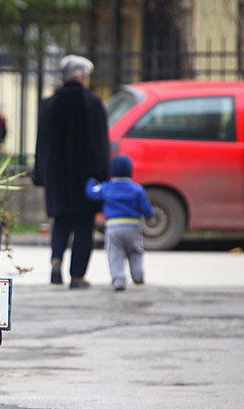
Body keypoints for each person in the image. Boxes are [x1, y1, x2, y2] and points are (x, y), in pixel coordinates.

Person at [33, 55, 109, 289]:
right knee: (84, 226)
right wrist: (102, 174)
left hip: (57, 176)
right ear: (82, 76)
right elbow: (101, 142)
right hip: (85, 176)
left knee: (61, 221)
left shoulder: (50, 103)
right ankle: (77, 276)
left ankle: (56, 261)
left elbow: (41, 143)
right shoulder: (93, 103)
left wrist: (40, 174)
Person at [86, 155, 154, 291]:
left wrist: (90, 181)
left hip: (113, 226)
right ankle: (138, 275)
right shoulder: (137, 189)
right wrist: (149, 216)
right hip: (133, 226)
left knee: (115, 254)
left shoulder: (107, 187)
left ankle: (119, 280)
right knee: (135, 252)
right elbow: (147, 209)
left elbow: (92, 193)